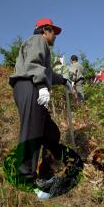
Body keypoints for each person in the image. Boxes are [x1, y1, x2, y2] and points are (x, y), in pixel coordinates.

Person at [9, 18, 72, 188]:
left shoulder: (41, 46)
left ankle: (44, 174)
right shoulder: (37, 40)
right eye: (53, 32)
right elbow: (34, 65)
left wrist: (64, 80)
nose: (55, 36)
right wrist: (42, 86)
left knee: (51, 133)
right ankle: (25, 177)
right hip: (29, 86)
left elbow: (47, 73)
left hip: (33, 86)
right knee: (32, 132)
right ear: (45, 30)